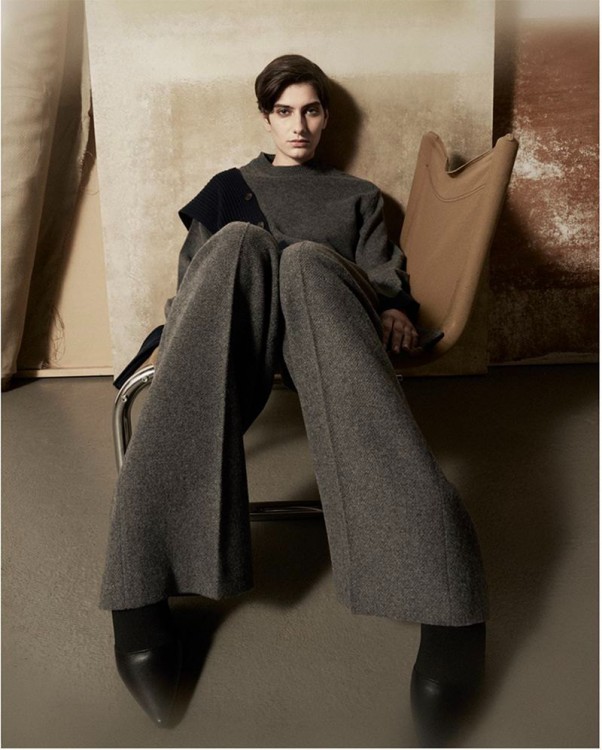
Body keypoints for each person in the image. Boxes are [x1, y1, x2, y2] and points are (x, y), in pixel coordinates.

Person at [100, 55, 488, 746]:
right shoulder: (229, 189)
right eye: (284, 112)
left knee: (306, 260)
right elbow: (193, 284)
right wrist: (175, 334)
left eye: (311, 110)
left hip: (326, 328)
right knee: (240, 243)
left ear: (326, 117)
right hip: (240, 336)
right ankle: (141, 583)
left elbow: (383, 275)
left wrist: (394, 308)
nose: (299, 125)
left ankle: (447, 596)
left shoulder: (357, 195)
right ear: (266, 118)